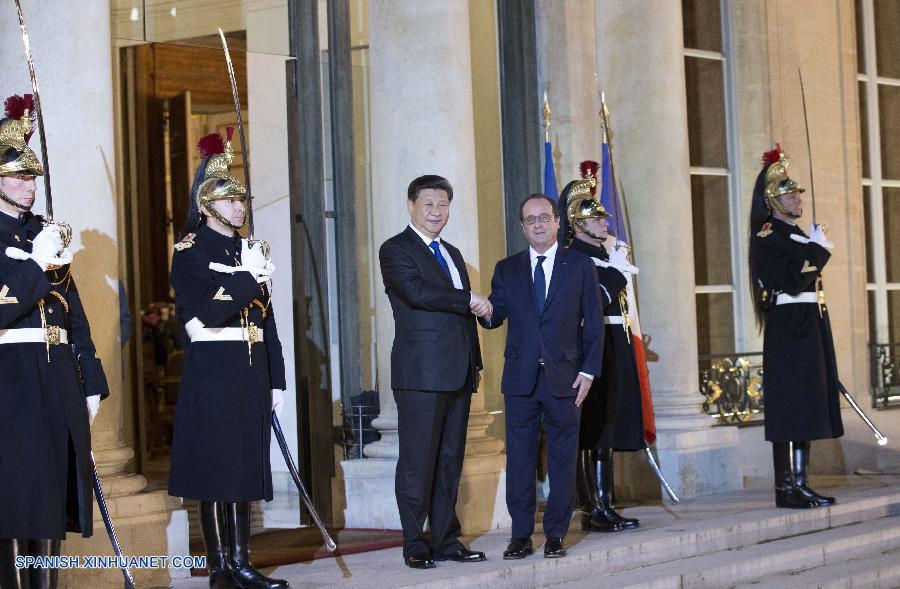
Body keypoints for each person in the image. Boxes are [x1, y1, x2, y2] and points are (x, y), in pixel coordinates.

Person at [168, 130, 288, 589]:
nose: (240, 207)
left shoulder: (247, 250)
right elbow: (209, 309)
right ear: (206, 205)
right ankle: (222, 566)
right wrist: (248, 278)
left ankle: (242, 559)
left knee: (243, 466)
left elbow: (267, 320)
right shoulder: (190, 251)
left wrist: (277, 379)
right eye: (230, 199)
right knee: (217, 469)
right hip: (214, 369)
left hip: (251, 367)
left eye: (242, 199)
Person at [0, 94, 108, 589]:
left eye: (32, 178)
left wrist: (91, 378)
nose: (28, 186)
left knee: (53, 493)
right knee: (18, 494)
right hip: (13, 377)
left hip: (57, 370)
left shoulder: (44, 232)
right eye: (19, 178)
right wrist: (35, 264)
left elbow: (73, 312)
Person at [480, 193, 603, 559]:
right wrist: (483, 310)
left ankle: (555, 535)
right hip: (520, 380)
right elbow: (495, 315)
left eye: (544, 218)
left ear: (556, 221)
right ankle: (520, 536)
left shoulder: (580, 265)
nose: (537, 224)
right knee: (519, 460)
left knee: (563, 459)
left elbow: (593, 324)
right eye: (530, 219)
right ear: (522, 227)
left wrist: (588, 371)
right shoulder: (507, 269)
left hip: (566, 379)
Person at [378, 174, 491, 569]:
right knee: (417, 461)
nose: (436, 212)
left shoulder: (454, 253)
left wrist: (475, 362)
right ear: (411, 206)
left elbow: (463, 318)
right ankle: (415, 542)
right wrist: (468, 299)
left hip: (458, 373)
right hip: (420, 374)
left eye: (442, 205)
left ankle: (446, 539)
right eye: (428, 204)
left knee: (449, 461)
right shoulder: (395, 250)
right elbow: (417, 293)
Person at [748, 144, 843, 509]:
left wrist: (811, 246)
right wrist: (817, 252)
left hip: (810, 322)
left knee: (807, 400)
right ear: (773, 201)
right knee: (791, 403)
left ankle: (801, 482)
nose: (797, 198)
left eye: (797, 192)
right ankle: (786, 487)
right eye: (789, 194)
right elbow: (792, 281)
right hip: (789, 324)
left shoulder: (797, 234)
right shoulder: (769, 236)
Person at [559, 176, 644, 533]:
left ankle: (605, 502)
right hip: (593, 343)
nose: (604, 223)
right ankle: (593, 507)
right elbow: (589, 303)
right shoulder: (575, 258)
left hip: (614, 339)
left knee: (608, 423)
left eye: (603, 219)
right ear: (578, 224)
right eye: (596, 219)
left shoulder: (601, 255)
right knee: (594, 426)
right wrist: (616, 276)